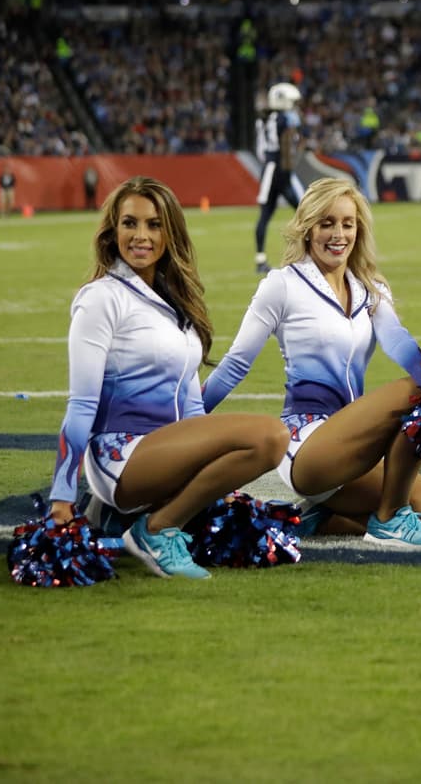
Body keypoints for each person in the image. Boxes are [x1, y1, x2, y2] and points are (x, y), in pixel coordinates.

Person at [46, 176, 290, 579]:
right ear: (113, 230)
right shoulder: (101, 298)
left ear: (170, 232)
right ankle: (156, 530)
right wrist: (61, 495)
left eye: (154, 225)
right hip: (121, 457)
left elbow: (192, 404)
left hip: (170, 451)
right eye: (130, 223)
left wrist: (212, 476)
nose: (141, 236)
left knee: (255, 456)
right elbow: (83, 403)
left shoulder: (173, 301)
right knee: (270, 436)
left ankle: (122, 519)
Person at [203, 178, 421, 548]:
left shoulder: (370, 287)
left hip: (355, 446)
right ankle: (388, 520)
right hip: (308, 446)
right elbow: (235, 366)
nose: (338, 234)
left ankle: (317, 518)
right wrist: (182, 423)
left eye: (347, 223)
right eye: (326, 223)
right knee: (413, 392)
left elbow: (399, 344)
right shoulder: (282, 285)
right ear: (307, 228)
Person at [255, 82, 305, 274]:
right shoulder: (285, 119)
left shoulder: (262, 119)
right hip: (282, 168)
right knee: (306, 211)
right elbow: (290, 144)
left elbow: (261, 150)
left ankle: (260, 259)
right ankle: (309, 255)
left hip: (269, 169)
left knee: (265, 215)